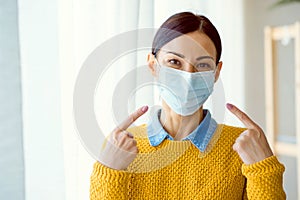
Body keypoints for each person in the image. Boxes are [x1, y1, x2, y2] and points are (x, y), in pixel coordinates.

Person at [90, 12, 286, 199]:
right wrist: (108, 170)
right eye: (174, 62)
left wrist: (264, 169)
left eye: (202, 65)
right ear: (153, 65)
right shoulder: (123, 147)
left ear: (216, 73)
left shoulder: (242, 147)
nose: (188, 76)